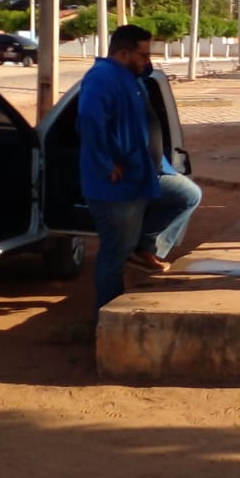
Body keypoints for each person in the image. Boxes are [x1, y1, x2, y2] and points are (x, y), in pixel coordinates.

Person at [79, 24, 204, 309]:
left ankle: (146, 247)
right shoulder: (101, 78)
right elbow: (88, 119)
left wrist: (144, 66)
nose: (149, 62)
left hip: (145, 174)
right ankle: (107, 315)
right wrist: (105, 163)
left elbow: (145, 74)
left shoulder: (130, 76)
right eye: (144, 55)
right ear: (123, 53)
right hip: (116, 185)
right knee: (114, 253)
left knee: (187, 196)